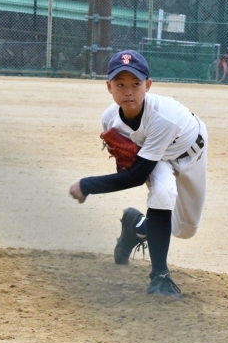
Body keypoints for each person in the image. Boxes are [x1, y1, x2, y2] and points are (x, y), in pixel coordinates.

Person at [69, 50, 208, 299]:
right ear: (109, 87)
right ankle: (160, 277)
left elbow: (134, 176)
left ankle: (137, 227)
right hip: (155, 157)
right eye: (120, 84)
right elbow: (129, 168)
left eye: (136, 84)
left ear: (148, 85)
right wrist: (135, 171)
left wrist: (87, 185)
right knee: (162, 194)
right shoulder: (110, 119)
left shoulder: (162, 118)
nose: (128, 91)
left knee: (185, 229)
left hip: (191, 153)